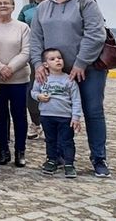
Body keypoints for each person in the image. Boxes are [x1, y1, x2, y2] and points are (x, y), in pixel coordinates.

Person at [28, 0, 111, 178]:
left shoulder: (85, 3)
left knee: (93, 112)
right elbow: (36, 38)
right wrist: (38, 64)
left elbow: (95, 34)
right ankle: (57, 157)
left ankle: (98, 158)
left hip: (87, 70)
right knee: (56, 115)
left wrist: (81, 63)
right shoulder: (43, 7)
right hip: (56, 74)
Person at [0, 0, 31, 168]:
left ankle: (20, 151)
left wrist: (10, 68)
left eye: (7, 3)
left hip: (19, 78)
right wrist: (0, 68)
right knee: (0, 116)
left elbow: (26, 51)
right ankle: (3, 150)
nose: (3, 5)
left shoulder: (22, 27)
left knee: (19, 115)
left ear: (13, 6)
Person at [31, 48, 82, 178]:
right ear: (45, 64)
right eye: (52, 59)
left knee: (67, 141)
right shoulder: (42, 78)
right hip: (47, 116)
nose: (57, 60)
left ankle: (69, 163)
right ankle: (51, 160)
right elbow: (33, 92)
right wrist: (39, 97)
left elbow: (76, 99)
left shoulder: (69, 79)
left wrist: (75, 117)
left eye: (59, 58)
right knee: (50, 140)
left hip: (65, 117)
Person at [19, 0, 51, 140]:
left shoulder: (55, 5)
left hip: (54, 54)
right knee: (33, 89)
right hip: (33, 55)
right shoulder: (26, 9)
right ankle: (36, 123)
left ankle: (50, 124)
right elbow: (19, 30)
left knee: (53, 89)